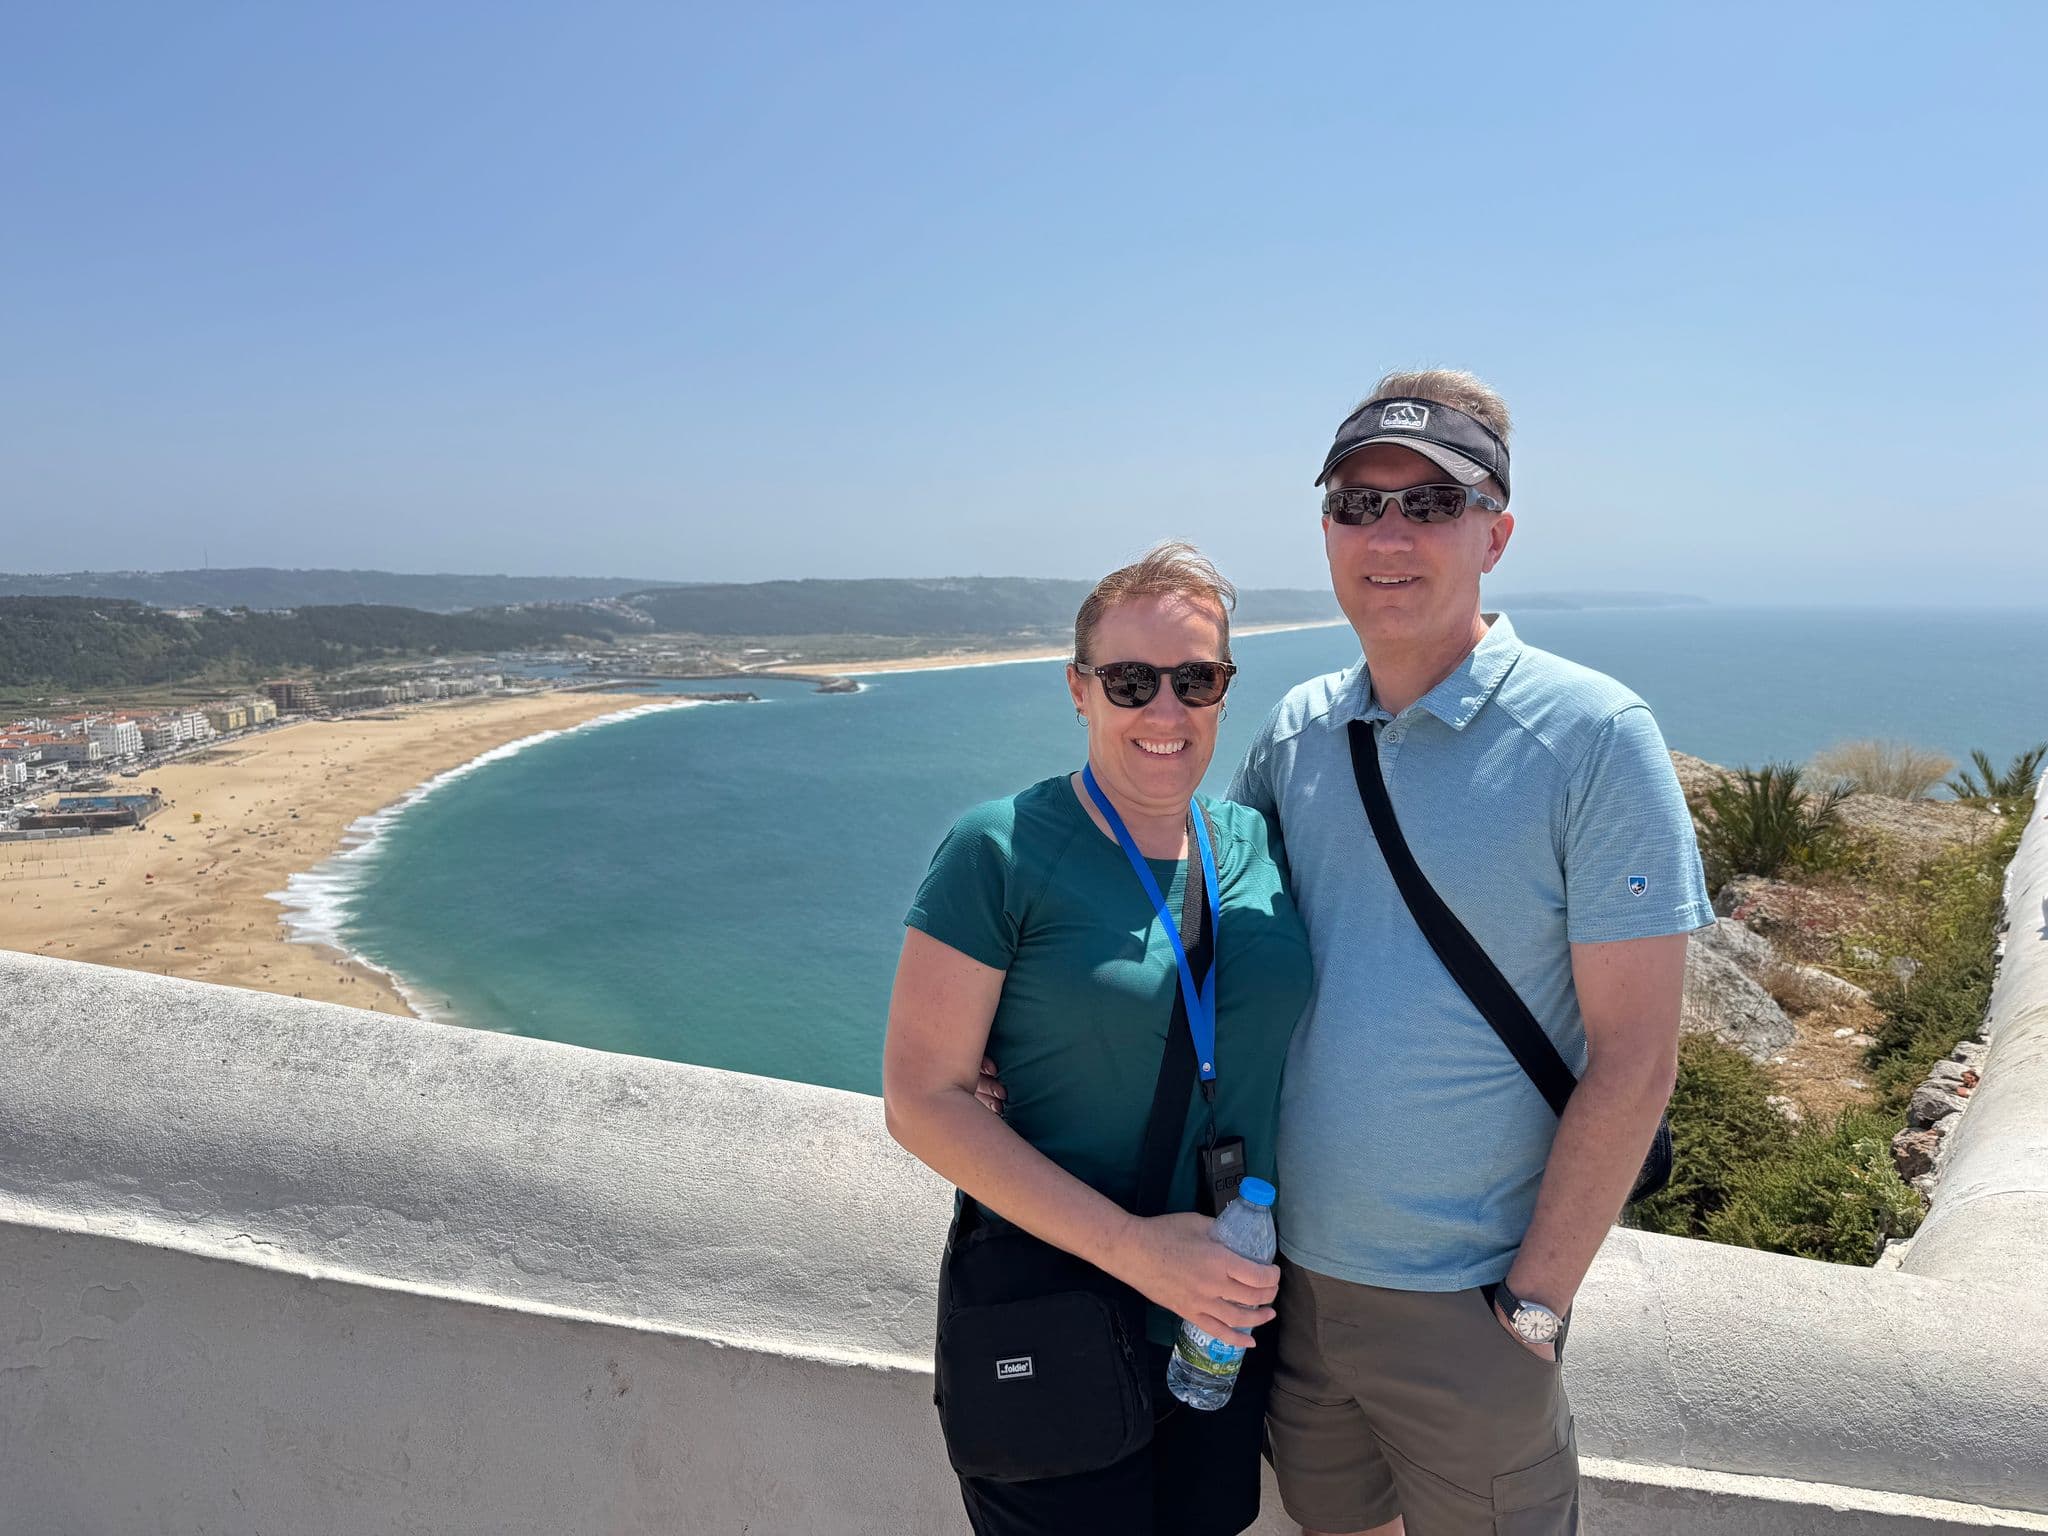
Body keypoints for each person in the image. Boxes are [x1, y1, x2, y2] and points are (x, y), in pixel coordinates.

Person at [1227, 369, 1712, 1536]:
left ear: (1493, 533)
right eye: (1356, 504)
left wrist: (1532, 1308)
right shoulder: (1296, 732)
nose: (1386, 534)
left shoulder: (1592, 736)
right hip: (1285, 1286)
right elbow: (1204, 946)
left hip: (1467, 1303)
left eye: (1428, 504)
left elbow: (1636, 1056)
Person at [883, 542, 1315, 1536]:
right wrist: (1138, 1253)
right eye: (1130, 682)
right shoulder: (999, 849)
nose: (1164, 712)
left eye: (1195, 680)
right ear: (1078, 690)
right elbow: (919, 1099)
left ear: (1222, 690)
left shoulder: (1251, 842)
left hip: (1219, 1325)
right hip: (1055, 1320)